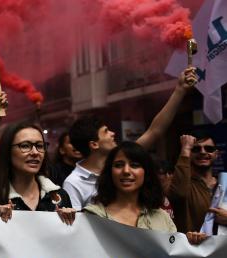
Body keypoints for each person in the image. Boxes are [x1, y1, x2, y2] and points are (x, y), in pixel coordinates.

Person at [63, 67, 199, 209]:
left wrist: (179, 90)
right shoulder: (73, 183)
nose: (112, 133)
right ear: (94, 144)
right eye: (105, 131)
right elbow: (75, 225)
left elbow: (154, 131)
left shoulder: (121, 161)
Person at [84, 142, 207, 244]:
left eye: (134, 165)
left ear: (146, 173)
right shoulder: (92, 216)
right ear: (110, 172)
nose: (126, 171)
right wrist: (67, 220)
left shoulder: (162, 217)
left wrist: (190, 244)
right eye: (119, 165)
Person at [0, 122, 76, 224]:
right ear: (7, 151)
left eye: (40, 146)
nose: (35, 152)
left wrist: (70, 222)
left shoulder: (59, 196)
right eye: (25, 146)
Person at [169, 132, 219, 232]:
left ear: (216, 154)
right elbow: (179, 194)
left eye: (209, 149)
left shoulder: (223, 184)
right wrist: (186, 148)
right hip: (192, 246)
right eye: (196, 149)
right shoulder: (182, 184)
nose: (203, 152)